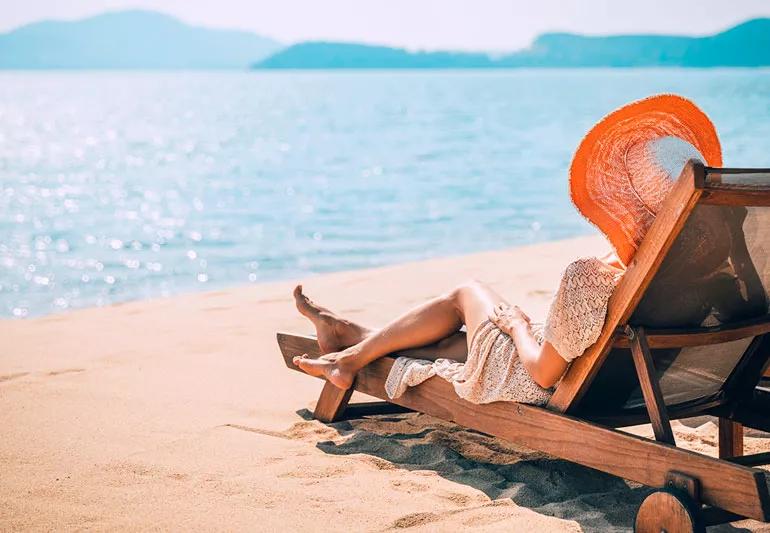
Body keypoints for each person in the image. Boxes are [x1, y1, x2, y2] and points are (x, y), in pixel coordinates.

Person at [291, 94, 724, 406]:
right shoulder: (708, 272)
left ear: (625, 200)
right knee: (451, 347)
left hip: (536, 377)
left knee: (467, 293)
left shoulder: (590, 278)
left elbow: (541, 373)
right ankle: (349, 337)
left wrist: (517, 325)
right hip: (631, 382)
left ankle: (347, 358)